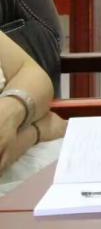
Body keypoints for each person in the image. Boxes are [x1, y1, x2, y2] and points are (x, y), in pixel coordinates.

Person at [0, 31, 65, 196]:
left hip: (45, 164)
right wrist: (38, 131)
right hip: (17, 193)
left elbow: (31, 72)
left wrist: (12, 107)